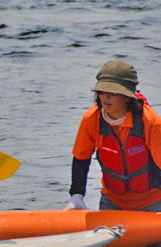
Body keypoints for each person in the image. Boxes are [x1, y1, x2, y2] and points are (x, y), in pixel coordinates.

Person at [64, 60, 161, 213]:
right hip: (112, 203)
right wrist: (76, 197)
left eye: (113, 93)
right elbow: (81, 159)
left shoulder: (149, 121)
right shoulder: (91, 119)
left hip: (152, 204)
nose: (105, 97)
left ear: (128, 97)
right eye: (101, 91)